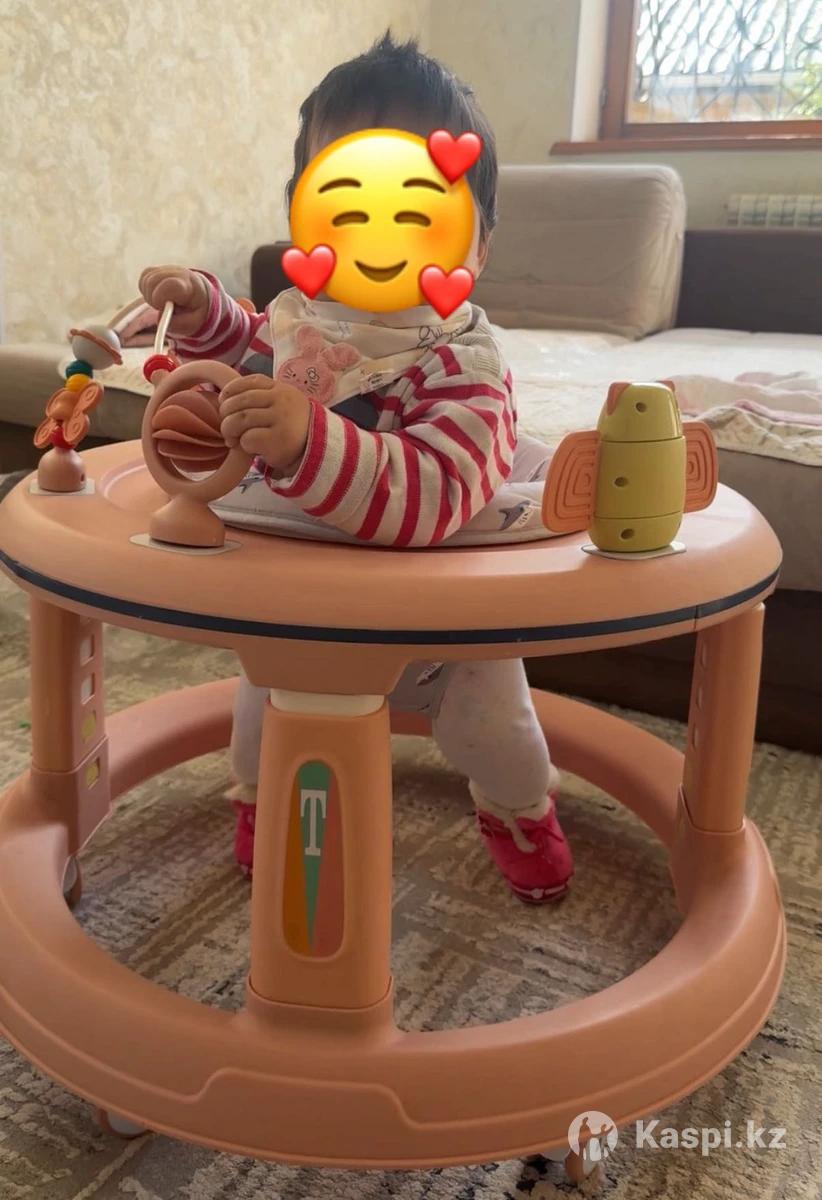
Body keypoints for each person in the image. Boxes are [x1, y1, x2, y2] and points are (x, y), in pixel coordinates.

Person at [138, 32, 573, 903]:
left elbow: (437, 492)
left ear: (477, 246)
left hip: (443, 625)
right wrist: (201, 311)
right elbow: (249, 349)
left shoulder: (464, 364)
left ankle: (518, 807)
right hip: (300, 598)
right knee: (262, 718)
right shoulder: (309, 319)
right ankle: (263, 796)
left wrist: (308, 442)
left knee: (498, 734)